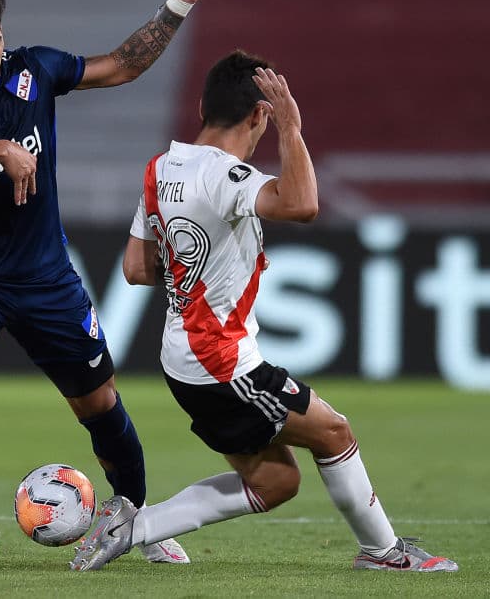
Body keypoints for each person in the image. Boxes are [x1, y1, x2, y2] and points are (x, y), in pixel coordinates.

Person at [69, 50, 458, 573]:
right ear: (259, 114)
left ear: (203, 106)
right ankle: (384, 554)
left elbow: (136, 269)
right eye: (267, 119)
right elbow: (302, 204)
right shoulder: (228, 175)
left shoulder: (161, 168)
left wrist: (197, 267)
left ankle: (133, 526)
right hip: (221, 362)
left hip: (182, 358)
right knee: (334, 433)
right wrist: (292, 128)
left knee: (275, 482)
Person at [0, 0, 221, 565]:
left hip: (47, 277)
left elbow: (122, 66)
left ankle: (136, 521)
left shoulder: (36, 69)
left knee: (99, 404)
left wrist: (180, 0)